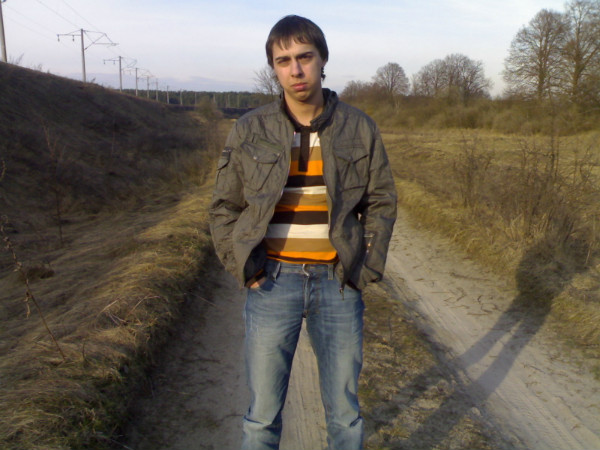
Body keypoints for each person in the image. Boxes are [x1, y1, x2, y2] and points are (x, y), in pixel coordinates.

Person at [209, 14, 397, 450]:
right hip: (273, 282)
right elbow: (224, 207)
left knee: (345, 416)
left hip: (338, 283)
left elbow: (382, 202)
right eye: (283, 60)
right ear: (274, 68)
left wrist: (364, 269)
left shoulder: (359, 127)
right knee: (262, 418)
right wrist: (244, 268)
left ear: (322, 59)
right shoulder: (250, 128)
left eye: (304, 57)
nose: (295, 70)